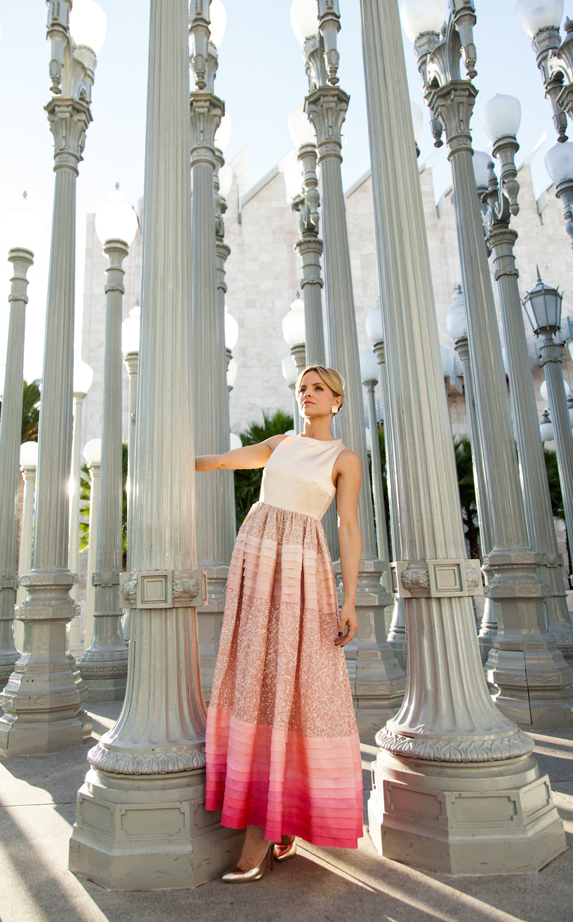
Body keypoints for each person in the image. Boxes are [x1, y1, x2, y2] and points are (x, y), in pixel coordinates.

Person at [195, 365, 363, 883]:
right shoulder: (281, 443)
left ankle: (265, 833)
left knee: (292, 685)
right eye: (302, 389)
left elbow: (349, 528)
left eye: (318, 388)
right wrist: (170, 461)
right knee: (259, 678)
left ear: (336, 400)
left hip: (301, 571)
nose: (307, 395)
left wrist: (350, 599)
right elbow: (222, 460)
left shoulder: (344, 459)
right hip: (257, 562)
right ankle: (277, 822)